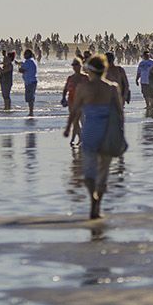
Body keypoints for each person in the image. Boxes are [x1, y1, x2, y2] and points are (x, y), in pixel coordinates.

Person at [64, 55, 125, 219]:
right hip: (107, 132)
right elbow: (119, 112)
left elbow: (75, 109)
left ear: (89, 70)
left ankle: (93, 198)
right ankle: (97, 206)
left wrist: (68, 128)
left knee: (89, 172)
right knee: (104, 172)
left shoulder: (84, 88)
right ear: (104, 69)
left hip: (90, 132)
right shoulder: (112, 87)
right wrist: (120, 131)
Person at [20, 49, 39, 115]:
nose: (24, 55)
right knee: (31, 97)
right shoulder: (32, 61)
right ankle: (31, 111)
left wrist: (20, 66)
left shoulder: (28, 62)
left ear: (28, 54)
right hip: (32, 81)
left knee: (30, 98)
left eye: (25, 54)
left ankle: (31, 112)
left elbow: (21, 70)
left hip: (30, 82)